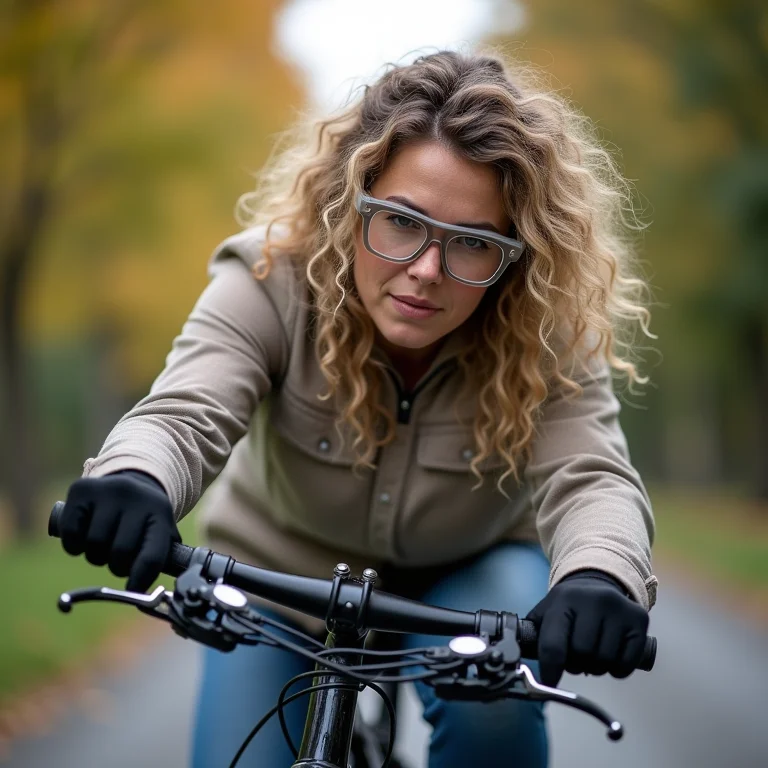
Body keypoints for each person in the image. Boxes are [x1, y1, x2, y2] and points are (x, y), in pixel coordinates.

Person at [57, 49, 658, 767]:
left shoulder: (545, 330)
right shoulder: (270, 279)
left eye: (473, 242)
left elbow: (592, 476)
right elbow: (185, 410)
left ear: (516, 257)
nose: (427, 270)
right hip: (280, 577)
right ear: (351, 202)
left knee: (495, 720)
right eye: (401, 222)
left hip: (470, 574)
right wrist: (137, 478)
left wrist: (600, 574)